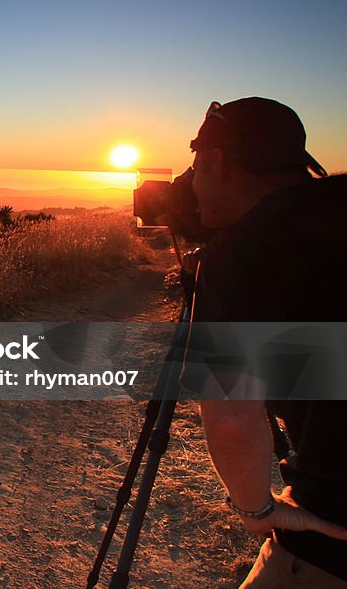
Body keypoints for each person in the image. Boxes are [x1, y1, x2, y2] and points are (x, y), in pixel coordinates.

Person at [187, 96, 347, 587]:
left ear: (215, 161)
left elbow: (232, 412)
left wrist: (257, 509)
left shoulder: (246, 248)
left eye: (195, 166)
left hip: (334, 529)